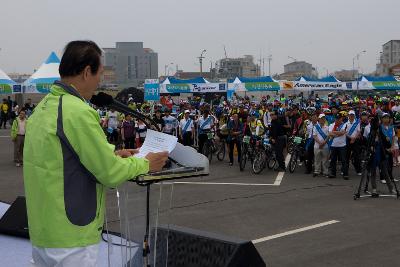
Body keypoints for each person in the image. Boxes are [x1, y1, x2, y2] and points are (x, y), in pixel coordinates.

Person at [23, 40, 168, 267]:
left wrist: (113, 153)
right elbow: (109, 174)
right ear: (86, 72)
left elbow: (63, 158)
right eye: (100, 73)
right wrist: (146, 164)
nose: (100, 80)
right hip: (71, 237)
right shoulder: (78, 111)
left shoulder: (43, 108)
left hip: (44, 231)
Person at [328, 113, 349, 179]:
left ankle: (345, 174)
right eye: (336, 119)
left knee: (344, 160)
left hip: (342, 145)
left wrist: (334, 132)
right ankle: (333, 173)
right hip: (333, 145)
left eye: (339, 119)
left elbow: (343, 132)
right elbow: (330, 133)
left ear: (341, 119)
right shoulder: (331, 125)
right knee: (333, 160)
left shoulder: (345, 124)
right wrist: (339, 133)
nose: (337, 120)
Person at [345, 110, 361, 175]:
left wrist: (354, 138)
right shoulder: (346, 123)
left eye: (352, 115)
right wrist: (350, 138)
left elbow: (358, 132)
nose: (351, 116)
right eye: (350, 115)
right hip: (348, 140)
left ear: (354, 116)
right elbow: (345, 132)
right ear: (348, 116)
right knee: (346, 156)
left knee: (357, 155)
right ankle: (345, 170)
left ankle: (358, 170)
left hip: (355, 140)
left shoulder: (357, 123)